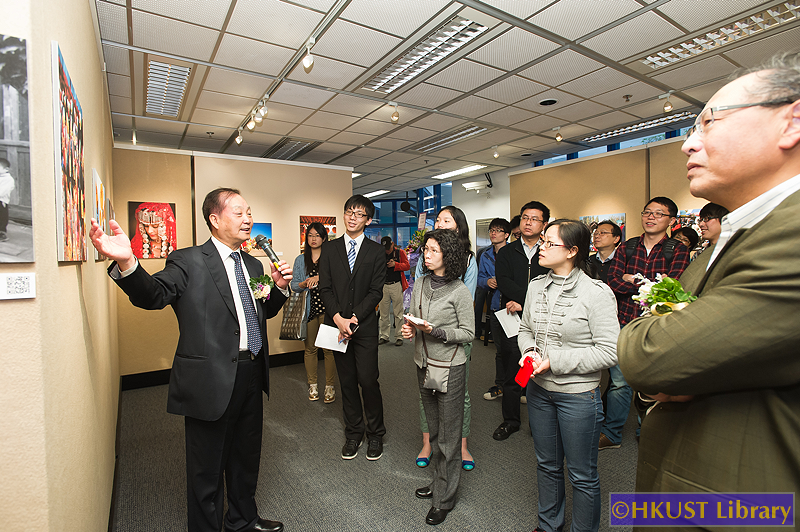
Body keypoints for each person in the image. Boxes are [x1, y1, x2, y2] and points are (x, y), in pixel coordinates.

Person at [618, 53, 800, 496]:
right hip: (686, 480)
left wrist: (667, 360)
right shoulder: (739, 232)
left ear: (792, 123)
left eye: (708, 122)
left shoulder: (790, 233)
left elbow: (648, 355)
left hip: (747, 503)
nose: (687, 144)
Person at [89, 188, 291, 532]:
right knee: (206, 467)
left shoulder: (254, 263)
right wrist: (127, 262)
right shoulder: (188, 260)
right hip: (210, 377)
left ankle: (242, 520)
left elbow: (260, 311)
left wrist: (278, 288)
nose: (248, 220)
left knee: (245, 456)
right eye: (239, 213)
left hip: (252, 370)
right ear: (214, 219)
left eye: (249, 213)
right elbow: (154, 295)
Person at [518, 219, 619, 532]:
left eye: (550, 243)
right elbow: (524, 330)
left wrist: (554, 361)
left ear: (573, 251)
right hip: (538, 391)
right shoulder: (535, 286)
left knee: (582, 474)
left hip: (578, 396)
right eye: (542, 242)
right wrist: (529, 352)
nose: (541, 248)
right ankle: (549, 524)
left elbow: (610, 352)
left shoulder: (596, 293)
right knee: (547, 465)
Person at [600, 196, 690, 450]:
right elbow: (613, 282)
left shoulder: (677, 250)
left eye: (658, 214)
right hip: (624, 321)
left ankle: (646, 430)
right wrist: (647, 283)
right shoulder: (628, 247)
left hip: (656, 325)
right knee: (618, 382)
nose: (651, 217)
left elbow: (671, 289)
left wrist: (635, 281)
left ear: (671, 221)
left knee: (651, 382)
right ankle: (612, 433)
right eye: (647, 212)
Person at [402, 229, 474, 527]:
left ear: (448, 256)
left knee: (449, 435)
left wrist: (437, 332)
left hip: (450, 367)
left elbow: (469, 333)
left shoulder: (459, 291)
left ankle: (445, 497)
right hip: (423, 363)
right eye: (425, 250)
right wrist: (409, 330)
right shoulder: (419, 283)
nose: (425, 255)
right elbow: (412, 317)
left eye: (432, 251)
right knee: (433, 430)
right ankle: (440, 481)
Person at [318, 194, 386, 461]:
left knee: (368, 380)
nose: (352, 217)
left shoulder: (376, 251)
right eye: (349, 212)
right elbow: (325, 288)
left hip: (365, 326)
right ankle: (353, 433)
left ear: (368, 220)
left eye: (359, 214)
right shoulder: (330, 249)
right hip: (336, 327)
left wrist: (355, 317)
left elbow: (375, 291)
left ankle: (376, 433)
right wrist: (338, 318)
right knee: (346, 381)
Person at [414, 206, 477, 470]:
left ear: (458, 227)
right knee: (426, 391)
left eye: (446, 220)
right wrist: (415, 325)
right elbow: (419, 294)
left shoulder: (468, 262)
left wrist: (437, 328)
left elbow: (466, 309)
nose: (439, 223)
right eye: (437, 219)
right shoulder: (426, 260)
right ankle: (429, 442)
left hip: (454, 339)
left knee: (457, 394)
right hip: (425, 342)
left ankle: (460, 446)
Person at [492, 201, 550, 441]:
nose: (528, 222)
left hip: (544, 318)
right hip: (512, 317)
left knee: (542, 372)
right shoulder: (507, 251)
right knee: (514, 372)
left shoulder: (549, 250)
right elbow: (504, 281)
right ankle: (511, 421)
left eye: (535, 219)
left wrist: (526, 303)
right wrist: (524, 301)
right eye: (525, 217)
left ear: (544, 224)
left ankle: (540, 423)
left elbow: (552, 283)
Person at [291, 222, 336, 403]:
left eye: (317, 235)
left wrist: (321, 278)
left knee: (329, 350)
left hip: (328, 310)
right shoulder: (300, 260)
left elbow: (339, 283)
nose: (313, 239)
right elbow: (294, 285)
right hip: (309, 310)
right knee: (310, 349)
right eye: (310, 235)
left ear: (324, 238)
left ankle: (330, 387)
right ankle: (313, 385)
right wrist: (303, 283)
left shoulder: (331, 258)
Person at [477, 217, 511, 401]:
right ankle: (500, 385)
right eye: (491, 230)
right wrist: (487, 281)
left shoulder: (514, 253)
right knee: (500, 350)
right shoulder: (486, 254)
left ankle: (519, 387)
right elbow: (479, 279)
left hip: (512, 307)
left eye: (498, 230)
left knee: (516, 349)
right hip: (495, 306)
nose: (493, 233)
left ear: (506, 234)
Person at [378, 235, 410, 346]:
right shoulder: (380, 253)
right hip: (383, 286)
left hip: (396, 285)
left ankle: (399, 336)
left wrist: (395, 264)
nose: (387, 251)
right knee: (383, 313)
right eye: (385, 249)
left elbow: (407, 266)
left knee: (398, 313)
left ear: (392, 244)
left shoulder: (400, 252)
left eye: (388, 248)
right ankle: (384, 336)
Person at [0, 158, 15, 242]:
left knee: (2, 216)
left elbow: (3, 192)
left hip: (1, 201)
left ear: (6, 169)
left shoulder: (8, 180)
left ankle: (2, 232)